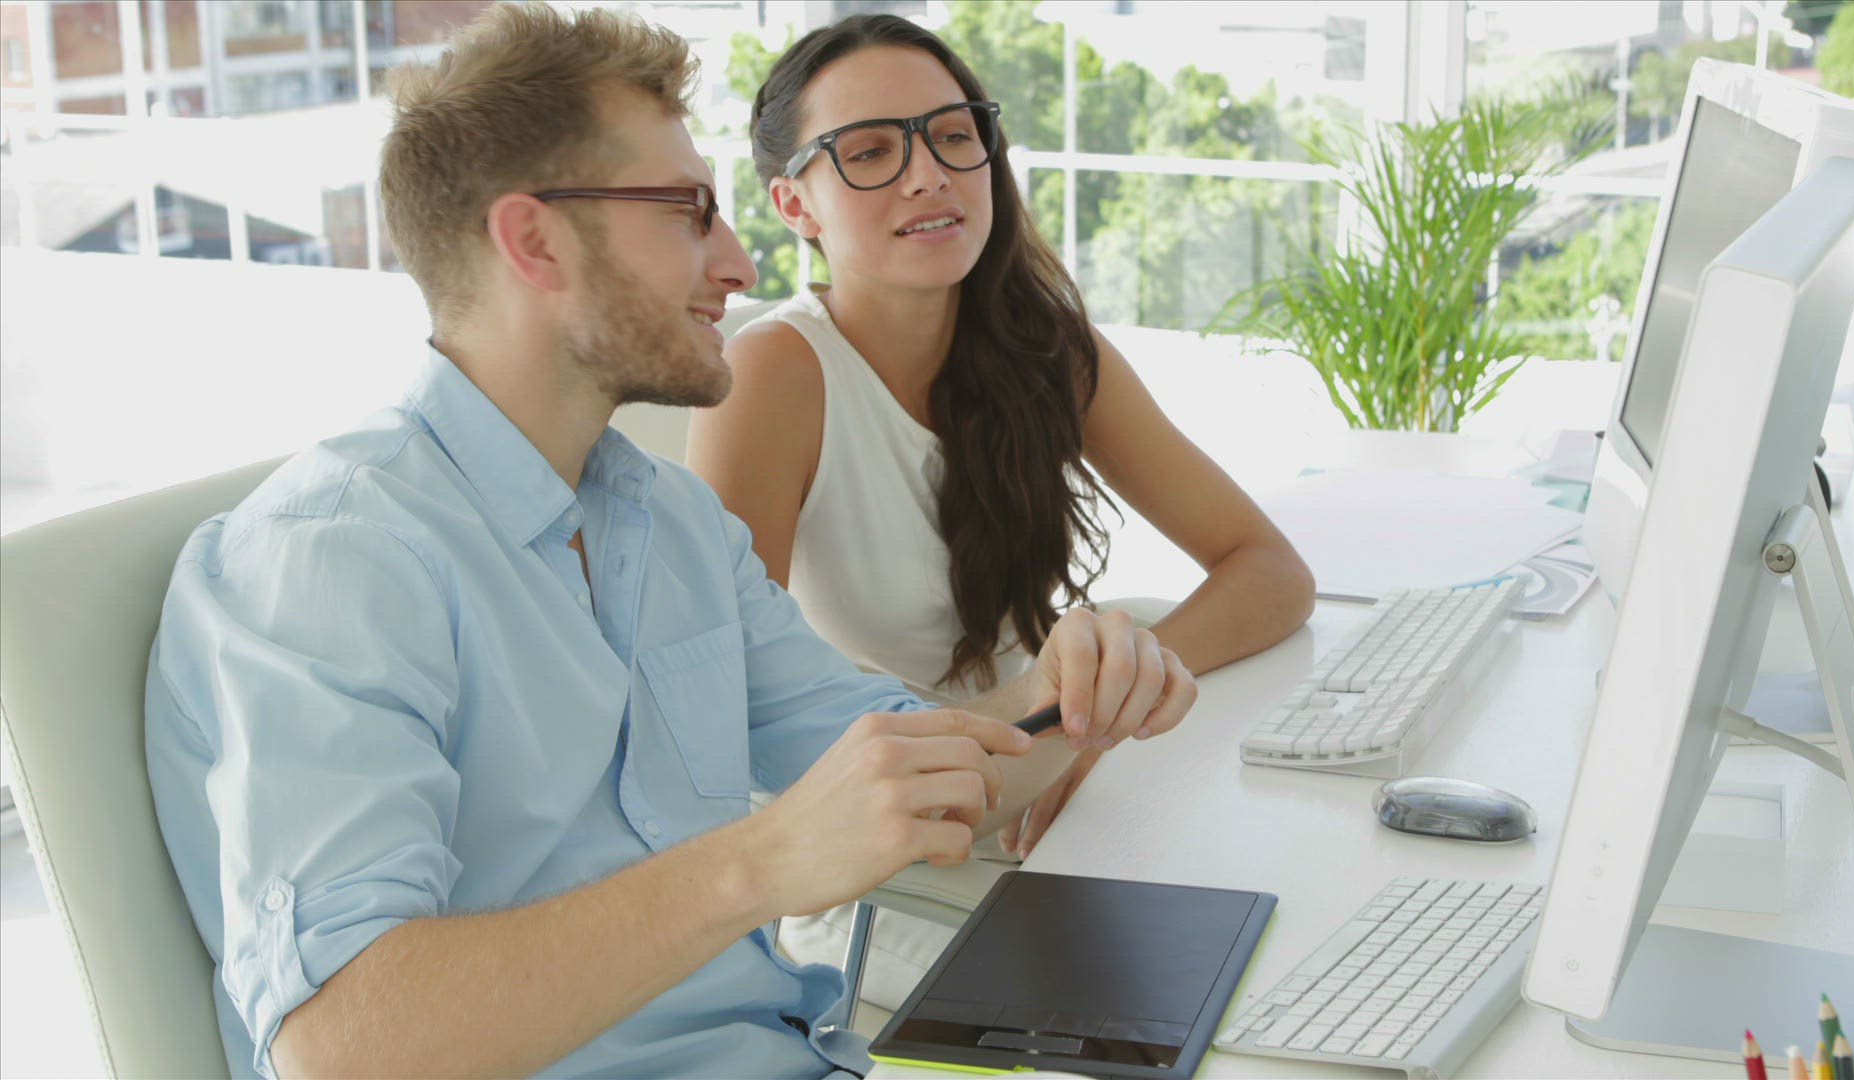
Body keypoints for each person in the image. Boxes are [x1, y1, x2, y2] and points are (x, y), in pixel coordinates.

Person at [142, 5, 1193, 1078]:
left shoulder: (672, 523)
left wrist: (1072, 695)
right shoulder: (331, 560)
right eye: (689, 213)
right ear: (535, 242)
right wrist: (757, 864)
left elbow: (919, 777)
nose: (738, 265)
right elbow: (340, 1046)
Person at [684, 13, 1315, 1006]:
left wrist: (1099, 720)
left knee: (1304, 932)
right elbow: (718, 709)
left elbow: (1269, 570)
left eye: (953, 134)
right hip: (886, 855)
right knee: (1189, 1004)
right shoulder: (773, 374)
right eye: (870, 152)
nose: (928, 175)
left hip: (1043, 783)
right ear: (793, 203)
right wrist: (1070, 734)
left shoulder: (1043, 347)